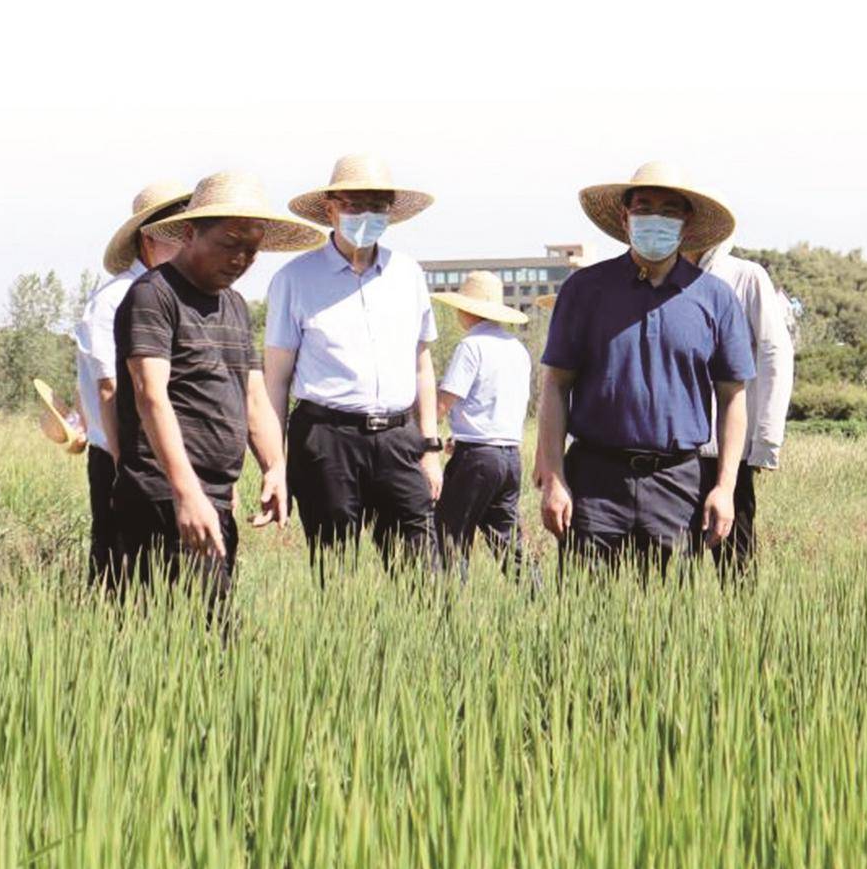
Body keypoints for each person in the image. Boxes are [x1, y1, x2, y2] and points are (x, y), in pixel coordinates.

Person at [111, 172, 326, 619]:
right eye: (230, 243)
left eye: (252, 248)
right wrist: (185, 493)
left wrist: (275, 466)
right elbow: (151, 397)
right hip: (164, 496)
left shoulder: (233, 304)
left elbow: (251, 394)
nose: (242, 258)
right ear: (189, 233)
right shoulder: (153, 296)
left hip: (216, 494)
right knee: (190, 640)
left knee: (209, 634)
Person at [536, 163, 754, 575]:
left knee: (667, 623)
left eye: (670, 210)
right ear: (625, 217)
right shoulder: (585, 290)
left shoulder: (715, 298)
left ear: (686, 223)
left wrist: (725, 488)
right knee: (583, 617)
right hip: (594, 482)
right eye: (644, 208)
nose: (656, 219)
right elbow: (555, 385)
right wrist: (553, 478)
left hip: (677, 482)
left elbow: (733, 397)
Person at [264, 155, 443, 571]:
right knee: (335, 571)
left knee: (425, 575)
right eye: (354, 204)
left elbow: (422, 364)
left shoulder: (407, 274)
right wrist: (275, 464)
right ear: (330, 208)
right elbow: (276, 380)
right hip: (326, 440)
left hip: (399, 438)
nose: (366, 215)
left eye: (377, 206)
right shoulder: (295, 279)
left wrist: (430, 448)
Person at [73, 179, 190, 590]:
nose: (188, 242)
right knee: (123, 575)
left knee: (177, 573)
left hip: (167, 455)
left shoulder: (175, 294)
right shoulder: (114, 299)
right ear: (149, 237)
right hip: (125, 459)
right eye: (178, 232)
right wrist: (129, 469)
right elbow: (108, 389)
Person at [693, 239, 795, 576]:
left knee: (736, 565)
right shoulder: (658, 277)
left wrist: (766, 440)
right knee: (671, 566)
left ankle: (744, 629)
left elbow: (774, 352)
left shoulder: (745, 276)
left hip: (727, 449)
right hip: (668, 451)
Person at [429, 270, 532, 575]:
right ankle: (537, 603)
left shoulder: (471, 347)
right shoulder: (518, 349)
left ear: (465, 310)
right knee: (508, 542)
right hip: (510, 457)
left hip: (475, 458)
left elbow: (441, 405)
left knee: (450, 539)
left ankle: (449, 614)